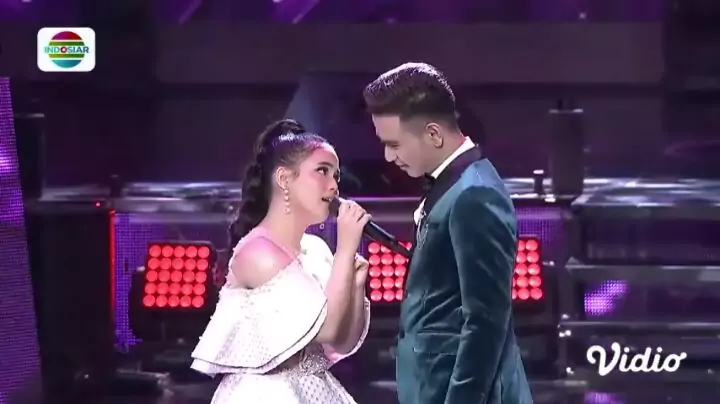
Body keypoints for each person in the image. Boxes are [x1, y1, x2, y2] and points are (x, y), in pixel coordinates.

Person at [363, 63, 532, 404]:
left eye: (394, 144)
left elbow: (486, 322)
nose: (388, 156)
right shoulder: (454, 185)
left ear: (433, 135)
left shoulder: (474, 194)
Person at [190, 119, 371, 403]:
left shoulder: (316, 249)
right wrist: (346, 250)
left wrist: (356, 285)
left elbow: (340, 341)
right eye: (322, 171)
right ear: (284, 179)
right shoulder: (258, 252)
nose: (334, 186)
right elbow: (327, 328)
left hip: (315, 390)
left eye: (336, 175)